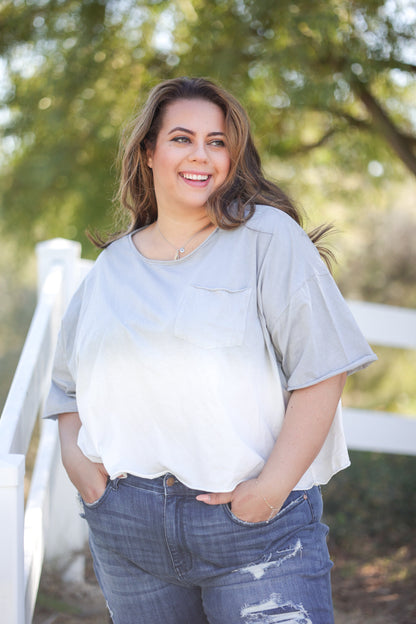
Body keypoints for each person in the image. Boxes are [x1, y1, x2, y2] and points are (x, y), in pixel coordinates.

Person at [44, 77, 376, 624]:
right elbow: (66, 387)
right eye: (182, 138)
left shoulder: (268, 239)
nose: (201, 155)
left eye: (217, 142)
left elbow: (323, 370)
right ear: (148, 152)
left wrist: (268, 493)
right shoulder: (111, 268)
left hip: (255, 533)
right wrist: (83, 471)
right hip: (129, 535)